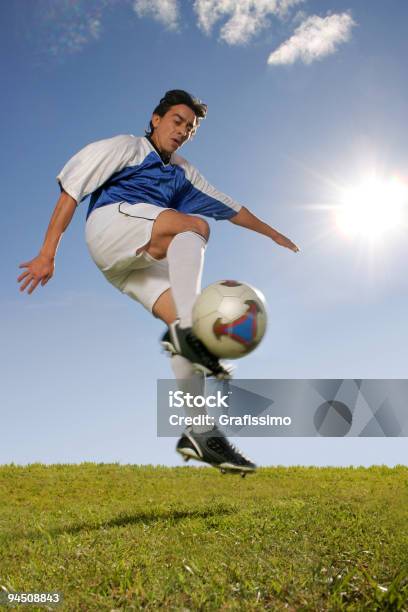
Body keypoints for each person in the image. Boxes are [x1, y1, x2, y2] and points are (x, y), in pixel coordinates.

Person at [17, 89, 299, 476]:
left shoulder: (185, 173)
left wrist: (272, 233)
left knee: (182, 315)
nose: (182, 130)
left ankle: (201, 433)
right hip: (110, 225)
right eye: (177, 121)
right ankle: (190, 332)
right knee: (193, 227)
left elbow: (232, 208)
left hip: (131, 263)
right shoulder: (126, 148)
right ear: (156, 119)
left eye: (190, 127)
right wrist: (48, 253)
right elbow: (72, 190)